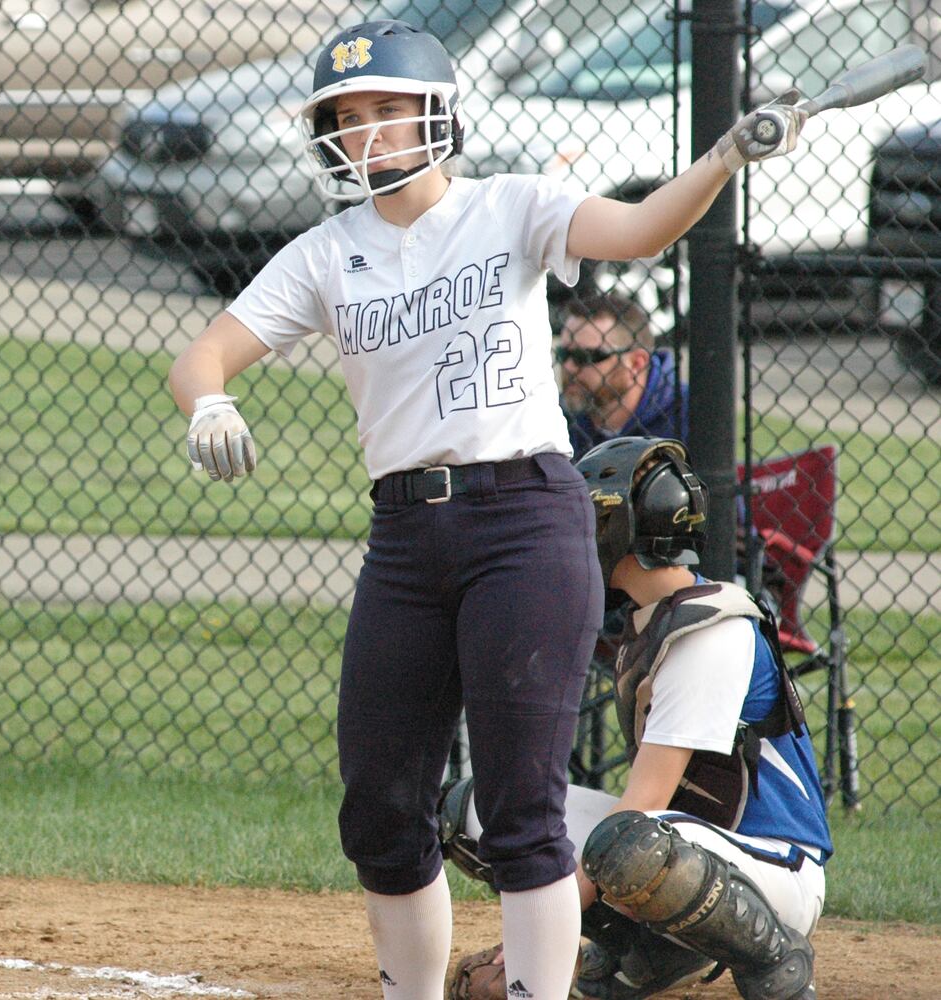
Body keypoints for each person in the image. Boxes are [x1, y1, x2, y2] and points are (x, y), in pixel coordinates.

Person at [169, 16, 807, 1000]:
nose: (369, 133)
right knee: (382, 805)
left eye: (389, 110)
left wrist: (724, 156)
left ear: (438, 117)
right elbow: (203, 352)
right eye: (348, 117)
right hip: (407, 532)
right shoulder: (327, 253)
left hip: (526, 516)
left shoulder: (507, 207)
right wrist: (209, 399)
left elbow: (639, 232)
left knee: (522, 807)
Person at [441, 437, 832, 1000]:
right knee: (480, 812)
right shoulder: (654, 621)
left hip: (774, 872)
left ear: (619, 531)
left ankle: (776, 964)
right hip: (689, 848)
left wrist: (534, 937)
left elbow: (643, 805)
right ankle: (653, 951)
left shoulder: (710, 633)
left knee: (623, 843)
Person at [557, 291, 689, 461]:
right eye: (563, 354)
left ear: (636, 363)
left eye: (585, 357)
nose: (569, 367)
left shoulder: (688, 414)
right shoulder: (553, 418)